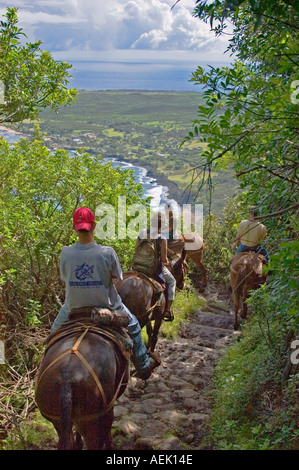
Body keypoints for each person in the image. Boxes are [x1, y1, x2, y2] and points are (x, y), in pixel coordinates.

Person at [51, 207, 160, 381]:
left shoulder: (66, 252)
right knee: (134, 328)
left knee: (52, 336)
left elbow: (65, 278)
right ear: (94, 225)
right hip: (107, 306)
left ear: (74, 228)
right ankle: (143, 366)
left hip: (73, 306)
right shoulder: (107, 252)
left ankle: (41, 371)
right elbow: (117, 277)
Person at [133, 212, 176, 322]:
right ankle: (168, 310)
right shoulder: (162, 239)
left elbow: (136, 249)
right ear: (162, 225)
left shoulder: (142, 232)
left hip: (137, 266)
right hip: (153, 270)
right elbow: (164, 259)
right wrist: (167, 262)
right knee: (171, 281)